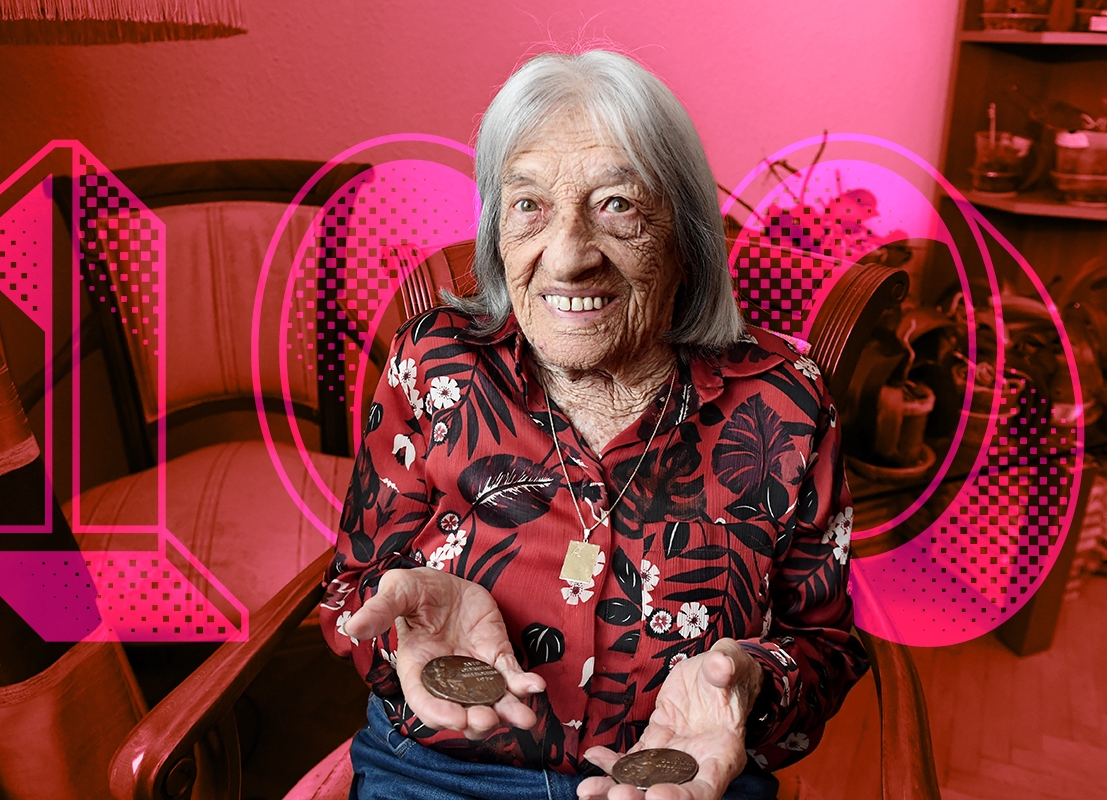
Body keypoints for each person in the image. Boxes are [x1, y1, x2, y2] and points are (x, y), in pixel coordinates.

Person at [320, 49, 867, 800]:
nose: (570, 256)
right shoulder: (435, 363)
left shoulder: (785, 405)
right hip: (438, 773)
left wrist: (748, 684)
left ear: (686, 238)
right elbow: (351, 586)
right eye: (529, 206)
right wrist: (398, 626)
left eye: (618, 204)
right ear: (497, 234)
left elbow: (825, 646)